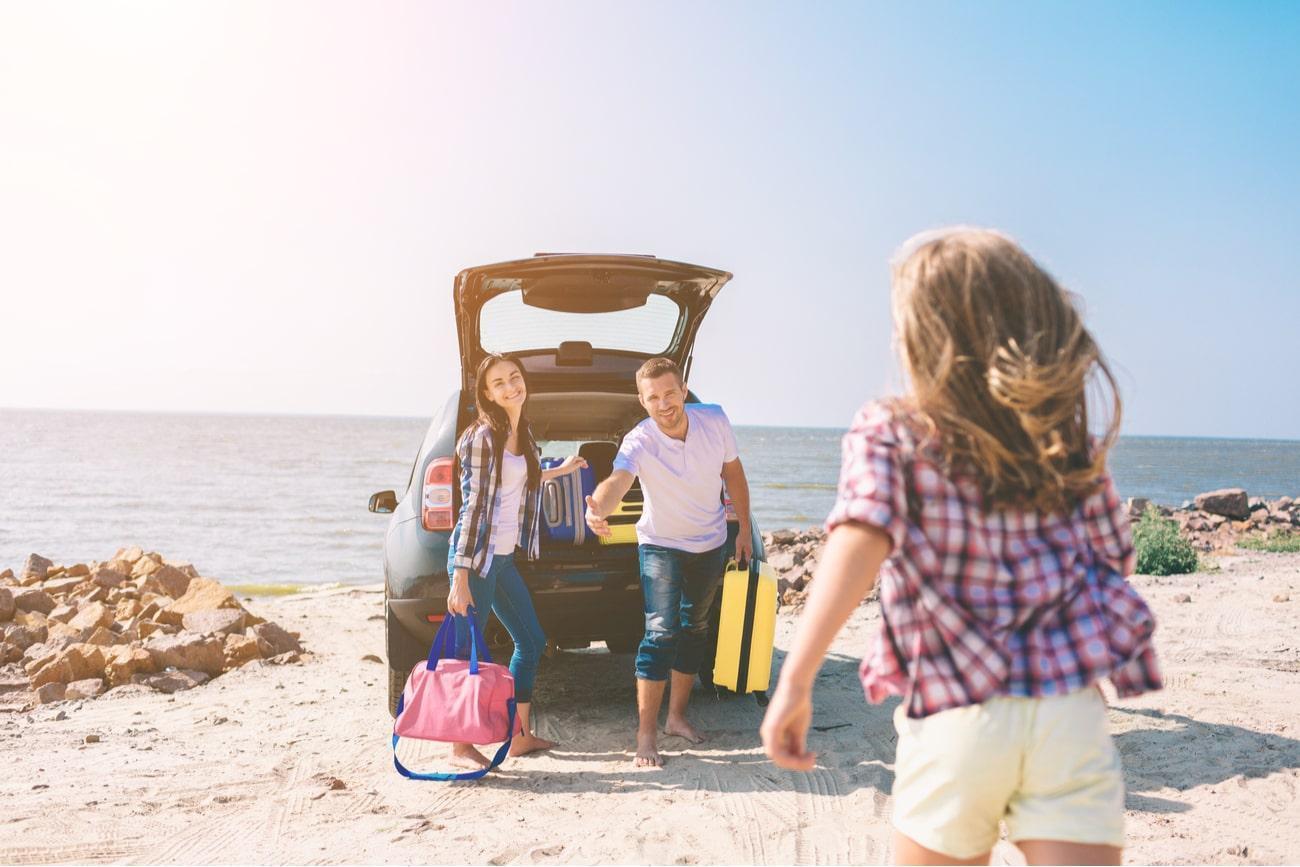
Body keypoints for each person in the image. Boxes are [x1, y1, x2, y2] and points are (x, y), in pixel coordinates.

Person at [760, 227, 1162, 865]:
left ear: (924, 338)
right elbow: (1115, 559)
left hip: (958, 711)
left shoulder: (893, 429)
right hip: (1067, 711)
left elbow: (860, 537)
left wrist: (797, 679)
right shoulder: (1062, 439)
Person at [584, 357, 753, 768]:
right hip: (660, 544)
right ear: (642, 402)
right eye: (653, 397)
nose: (664, 404)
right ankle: (646, 735)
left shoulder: (714, 420)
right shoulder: (639, 440)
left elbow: (734, 475)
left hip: (710, 542)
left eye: (669, 393)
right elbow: (618, 481)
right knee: (660, 633)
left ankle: (676, 718)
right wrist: (598, 509)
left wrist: (743, 529)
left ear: (683, 390)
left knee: (694, 628)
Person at [445, 352, 586, 769]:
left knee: (532, 641)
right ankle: (458, 743)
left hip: (503, 560)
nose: (511, 387)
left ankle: (519, 736)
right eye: (499, 383)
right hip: (476, 561)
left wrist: (564, 468)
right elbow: (471, 507)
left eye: (514, 378)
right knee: (468, 650)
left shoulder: (521, 431)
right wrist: (460, 575)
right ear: (486, 394)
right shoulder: (481, 437)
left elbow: (527, 474)